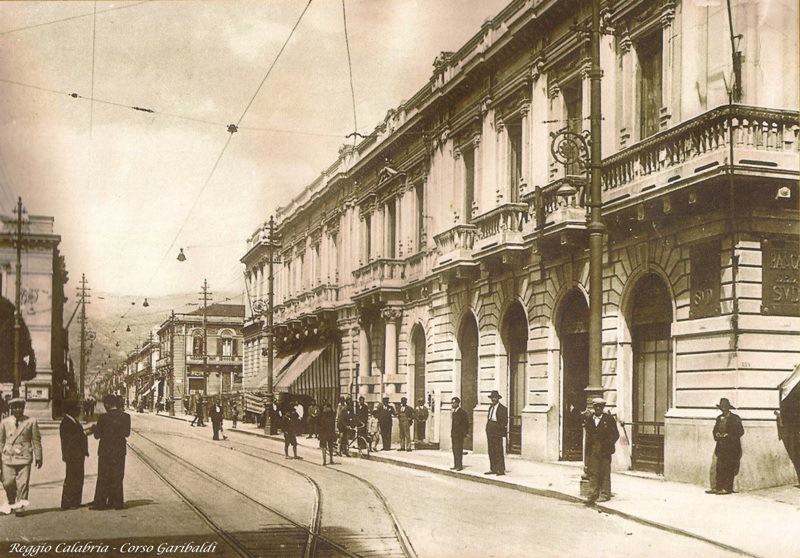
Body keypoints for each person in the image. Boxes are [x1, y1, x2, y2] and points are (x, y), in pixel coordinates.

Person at [0, 398, 43, 513]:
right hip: (8, 457)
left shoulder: (31, 421)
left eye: (20, 407)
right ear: (11, 409)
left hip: (24, 457)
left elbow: (36, 440)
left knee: (23, 483)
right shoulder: (5, 422)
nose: (18, 409)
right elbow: (1, 441)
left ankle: (20, 505)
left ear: (23, 408)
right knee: (8, 482)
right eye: (15, 407)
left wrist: (38, 456)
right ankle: (11, 499)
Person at [91, 394, 131, 510]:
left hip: (105, 451)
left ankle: (100, 503)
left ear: (107, 405)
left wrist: (96, 429)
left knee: (103, 476)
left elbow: (97, 436)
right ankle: (117, 503)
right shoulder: (126, 417)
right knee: (118, 476)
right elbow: (126, 433)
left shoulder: (103, 418)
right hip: (119, 451)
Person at [584, 397, 620, 505]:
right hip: (593, 449)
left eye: (600, 407)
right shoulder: (590, 419)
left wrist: (608, 444)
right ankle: (592, 494)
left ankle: (605, 494)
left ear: (603, 407)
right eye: (596, 407)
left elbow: (615, 434)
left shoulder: (608, 419)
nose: (598, 408)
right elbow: (588, 437)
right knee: (593, 472)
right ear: (594, 407)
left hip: (605, 450)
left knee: (604, 472)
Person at [707, 398, 744, 495]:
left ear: (728, 408)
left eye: (725, 407)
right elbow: (714, 430)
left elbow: (740, 431)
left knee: (729, 467)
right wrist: (717, 434)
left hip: (732, 447)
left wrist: (729, 435)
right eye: (722, 408)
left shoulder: (735, 418)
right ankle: (718, 487)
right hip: (721, 446)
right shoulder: (719, 418)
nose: (723, 410)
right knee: (719, 467)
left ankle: (727, 488)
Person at [59, 399, 90, 510]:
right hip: (72, 454)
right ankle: (68, 503)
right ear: (71, 410)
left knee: (77, 477)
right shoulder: (66, 422)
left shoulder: (72, 420)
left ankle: (75, 501)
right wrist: (85, 433)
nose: (78, 410)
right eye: (76, 408)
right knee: (72, 478)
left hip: (77, 454)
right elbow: (71, 439)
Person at [484, 390, 508, 475]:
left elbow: (504, 421)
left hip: (497, 430)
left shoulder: (503, 408)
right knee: (491, 449)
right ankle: (493, 468)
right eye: (492, 398)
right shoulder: (491, 407)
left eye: (495, 398)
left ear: (498, 398)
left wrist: (499, 430)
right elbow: (489, 418)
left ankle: (500, 469)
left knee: (498, 450)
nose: (493, 399)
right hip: (490, 429)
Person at [450, 397, 469, 471]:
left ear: (458, 403)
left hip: (459, 435)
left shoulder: (462, 412)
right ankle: (455, 465)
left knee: (459, 450)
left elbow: (465, 424)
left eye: (454, 402)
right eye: (452, 402)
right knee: (454, 450)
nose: (452, 404)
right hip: (454, 435)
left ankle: (459, 466)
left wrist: (465, 433)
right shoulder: (454, 412)